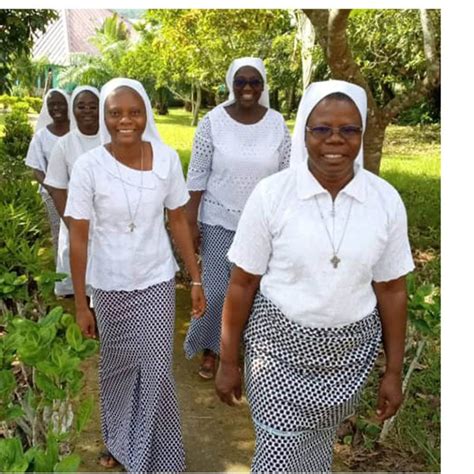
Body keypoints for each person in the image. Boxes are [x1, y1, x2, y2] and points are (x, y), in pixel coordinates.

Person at [215, 80, 414, 472]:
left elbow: (391, 290)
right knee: (278, 453)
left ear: (362, 134)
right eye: (321, 129)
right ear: (304, 131)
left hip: (347, 358)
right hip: (277, 353)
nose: (334, 139)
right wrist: (228, 360)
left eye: (348, 129)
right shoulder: (272, 195)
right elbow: (242, 283)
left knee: (315, 452)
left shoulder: (385, 200)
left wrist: (393, 372)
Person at [64, 78, 206, 473]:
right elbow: (78, 238)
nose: (125, 120)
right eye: (115, 113)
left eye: (134, 112)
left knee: (157, 367)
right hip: (108, 284)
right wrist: (81, 303)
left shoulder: (165, 159)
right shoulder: (88, 166)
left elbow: (178, 219)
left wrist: (195, 279)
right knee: (118, 367)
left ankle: (154, 456)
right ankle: (118, 441)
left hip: (156, 278)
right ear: (106, 118)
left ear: (146, 113)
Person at [184, 57, 292, 379]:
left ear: (263, 86)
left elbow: (287, 175)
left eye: (255, 82)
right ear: (231, 84)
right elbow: (196, 177)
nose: (248, 88)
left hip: (265, 224)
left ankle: (248, 350)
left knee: (257, 291)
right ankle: (211, 349)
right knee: (218, 290)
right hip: (219, 219)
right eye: (241, 81)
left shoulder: (276, 123)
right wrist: (191, 224)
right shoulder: (213, 121)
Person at [44, 86, 100, 297]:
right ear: (73, 110)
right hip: (76, 218)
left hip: (109, 220)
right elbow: (56, 188)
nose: (87, 111)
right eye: (81, 106)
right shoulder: (64, 144)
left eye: (93, 106)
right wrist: (73, 224)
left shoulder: (111, 139)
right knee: (81, 275)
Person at [25, 88, 70, 255]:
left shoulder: (78, 132)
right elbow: (35, 168)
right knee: (59, 232)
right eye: (52, 105)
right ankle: (63, 273)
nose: (56, 108)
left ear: (68, 106)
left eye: (60, 104)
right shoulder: (41, 136)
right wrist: (53, 189)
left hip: (79, 191)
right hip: (51, 194)